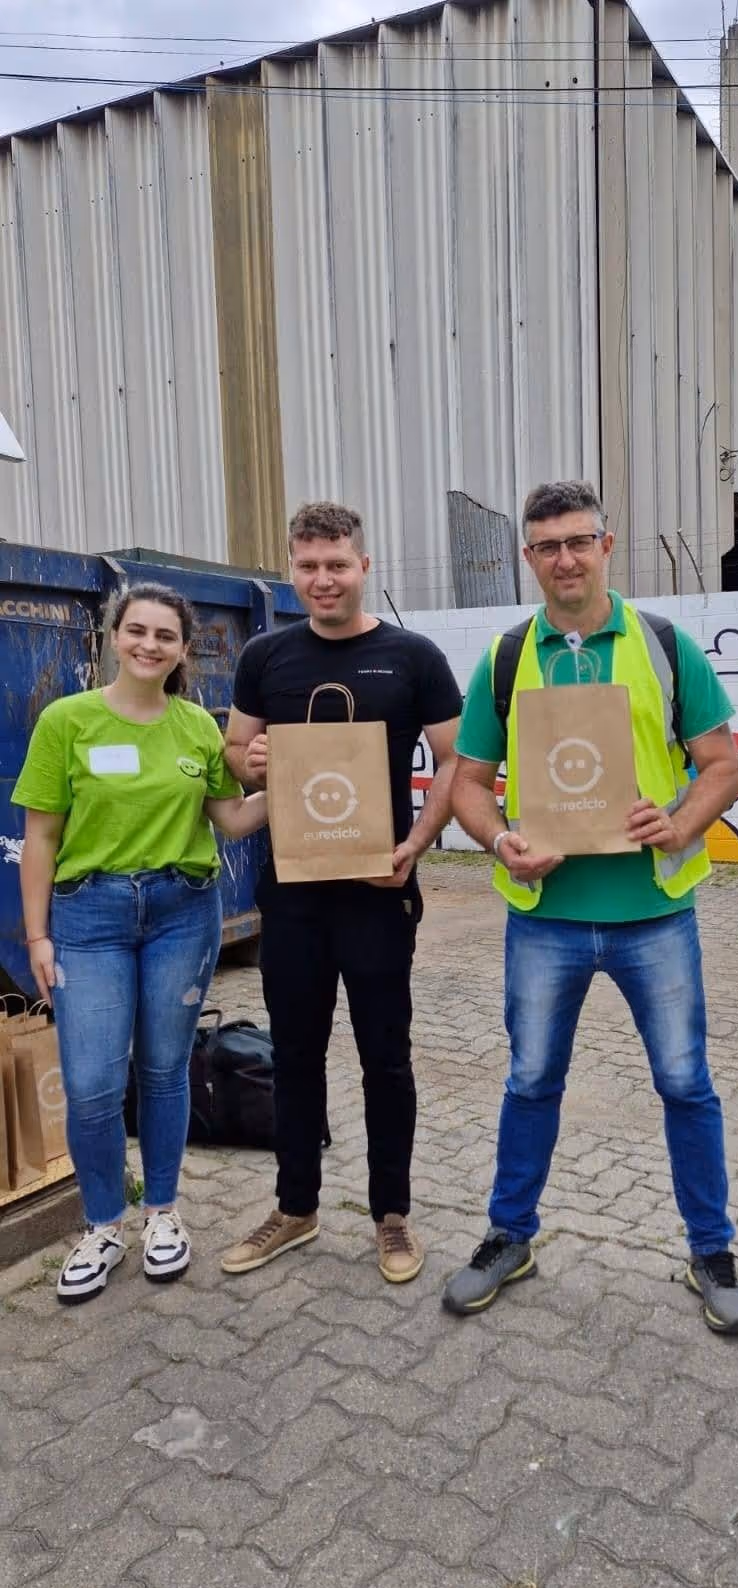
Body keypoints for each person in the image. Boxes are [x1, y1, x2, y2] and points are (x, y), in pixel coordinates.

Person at [442, 479, 738, 1334]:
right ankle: (510, 1236)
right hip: (544, 915)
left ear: (606, 546)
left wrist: (680, 820)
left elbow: (722, 765)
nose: (566, 559)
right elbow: (468, 783)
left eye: (580, 541)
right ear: (529, 558)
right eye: (548, 546)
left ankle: (712, 1250)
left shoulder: (662, 646)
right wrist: (501, 837)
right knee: (532, 1079)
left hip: (653, 913)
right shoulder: (506, 658)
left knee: (686, 1083)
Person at [221, 501, 461, 1285]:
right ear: (292, 570)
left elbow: (458, 762)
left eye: (337, 564)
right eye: (308, 565)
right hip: (290, 894)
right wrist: (248, 764)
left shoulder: (413, 656)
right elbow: (234, 749)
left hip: (377, 891)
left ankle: (391, 1215)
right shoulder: (266, 655)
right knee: (295, 1054)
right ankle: (296, 1209)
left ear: (364, 567)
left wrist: (416, 845)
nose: (322, 579)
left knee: (385, 1057)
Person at [14, 582, 269, 1302]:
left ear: (184, 649)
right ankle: (102, 1224)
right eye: (138, 631)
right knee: (93, 1084)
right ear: (111, 637)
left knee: (163, 1071)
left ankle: (162, 1212)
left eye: (165, 635)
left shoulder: (196, 727)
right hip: (88, 918)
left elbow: (231, 818)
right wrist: (37, 934)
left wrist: (297, 784)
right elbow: (40, 838)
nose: (150, 645)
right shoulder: (68, 721)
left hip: (182, 911)